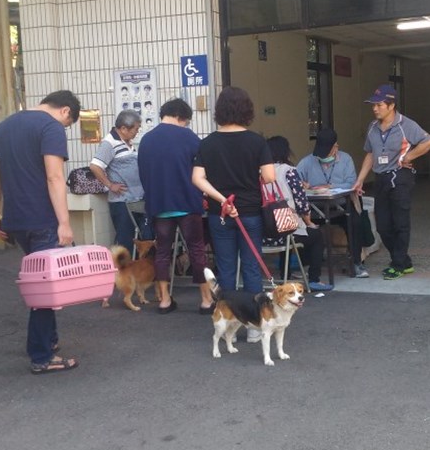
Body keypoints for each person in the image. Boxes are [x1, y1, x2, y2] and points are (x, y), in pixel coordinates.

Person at [0, 90, 82, 375]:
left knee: (42, 280)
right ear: (65, 111)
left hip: (15, 220)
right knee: (45, 287)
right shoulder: (50, 127)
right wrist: (64, 222)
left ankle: (48, 341)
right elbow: (54, 176)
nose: (64, 129)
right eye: (68, 125)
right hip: (42, 219)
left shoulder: (4, 126)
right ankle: (41, 356)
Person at [192, 87, 276, 322]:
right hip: (249, 213)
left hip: (220, 214)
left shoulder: (207, 143)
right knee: (251, 268)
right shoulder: (257, 141)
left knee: (226, 268)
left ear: (219, 111)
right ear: (246, 111)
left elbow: (197, 178)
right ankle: (254, 324)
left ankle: (228, 319)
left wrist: (221, 199)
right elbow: (270, 177)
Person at [136, 98, 215, 314]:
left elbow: (143, 175)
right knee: (197, 250)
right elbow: (201, 172)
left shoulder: (146, 140)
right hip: (188, 204)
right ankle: (206, 300)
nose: (186, 126)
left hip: (159, 205)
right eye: (186, 121)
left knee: (162, 252)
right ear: (181, 117)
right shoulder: (190, 138)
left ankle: (164, 300)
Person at [351, 84, 430, 280]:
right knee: (383, 226)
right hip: (381, 178)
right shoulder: (372, 127)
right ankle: (403, 261)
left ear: (391, 105)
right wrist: (360, 180)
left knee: (400, 223)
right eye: (373, 105)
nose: (374, 108)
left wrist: (409, 157)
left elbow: (429, 142)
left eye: (379, 105)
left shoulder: (406, 125)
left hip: (400, 177)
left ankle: (398, 264)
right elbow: (370, 154)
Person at [296, 127, 367, 278]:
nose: (323, 156)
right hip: (314, 209)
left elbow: (351, 183)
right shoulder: (307, 162)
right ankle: (306, 265)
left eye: (327, 151)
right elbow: (294, 182)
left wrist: (331, 186)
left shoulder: (346, 159)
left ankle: (356, 263)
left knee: (355, 222)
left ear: (336, 147)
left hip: (341, 206)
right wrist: (302, 184)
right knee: (300, 223)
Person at [265, 136, 333, 291]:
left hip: (265, 234)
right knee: (316, 235)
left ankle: (286, 275)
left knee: (287, 234)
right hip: (287, 230)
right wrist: (309, 223)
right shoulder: (289, 172)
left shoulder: (260, 172)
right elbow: (302, 203)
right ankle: (314, 279)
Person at [90, 109, 151, 253]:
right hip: (122, 202)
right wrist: (110, 185)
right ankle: (122, 273)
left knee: (138, 240)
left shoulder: (127, 142)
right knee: (125, 241)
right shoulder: (109, 143)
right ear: (123, 128)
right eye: (136, 129)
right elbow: (95, 166)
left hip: (135, 199)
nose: (137, 132)